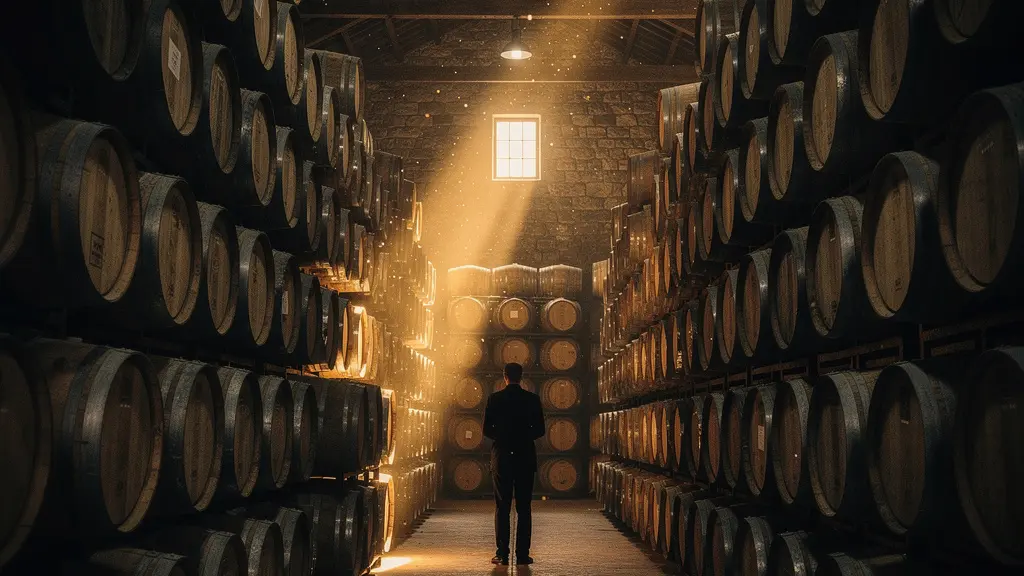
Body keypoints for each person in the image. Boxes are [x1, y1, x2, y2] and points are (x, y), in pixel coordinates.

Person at [483, 362, 546, 565]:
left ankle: (502, 554)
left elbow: (486, 430)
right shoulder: (532, 399)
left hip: (502, 457)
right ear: (521, 377)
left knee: (502, 506)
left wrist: (503, 437)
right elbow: (540, 430)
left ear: (505, 377)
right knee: (524, 507)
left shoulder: (495, 399)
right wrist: (522, 437)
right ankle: (522, 555)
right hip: (525, 457)